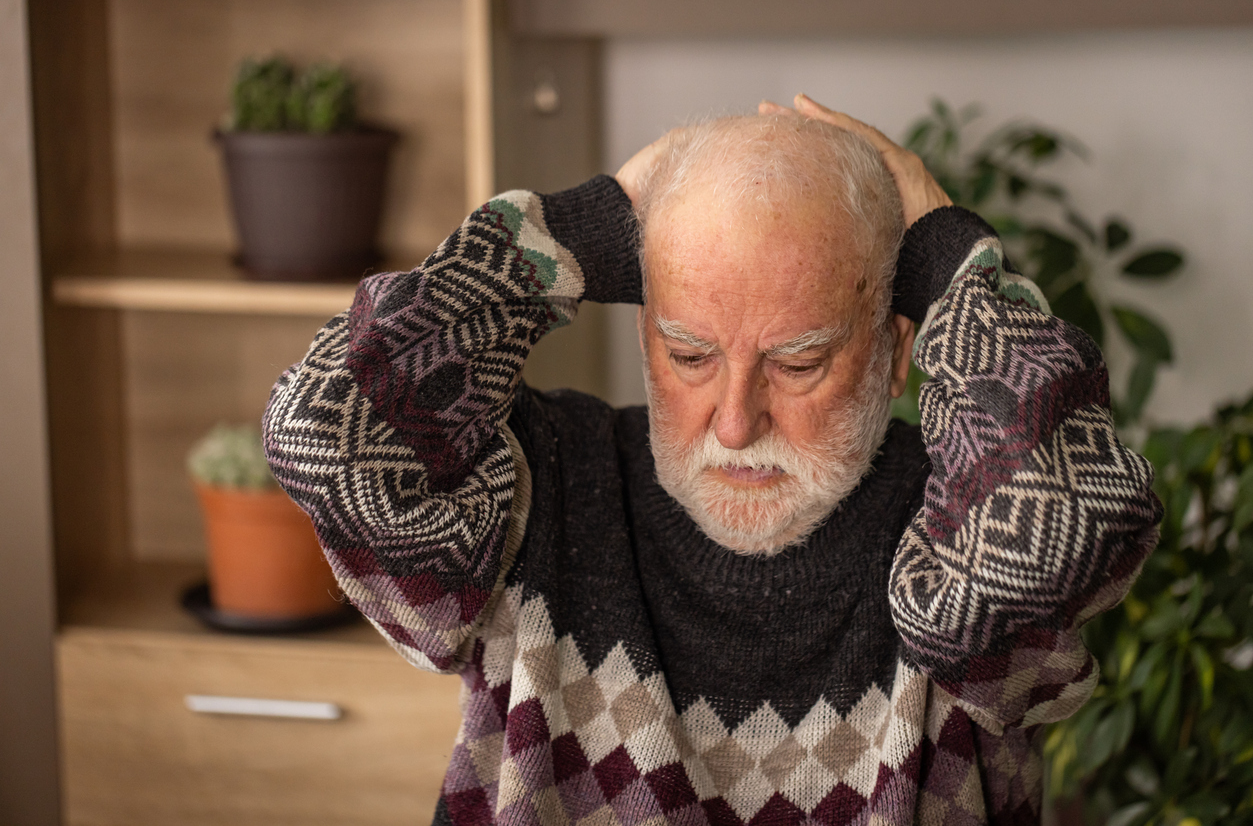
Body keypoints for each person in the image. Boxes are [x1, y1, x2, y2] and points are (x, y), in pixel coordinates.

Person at [263, 94, 1161, 826]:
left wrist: (944, 254)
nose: (735, 423)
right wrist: (564, 238)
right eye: (690, 355)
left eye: (798, 362)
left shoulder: (962, 526)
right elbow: (322, 430)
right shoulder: (536, 492)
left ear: (898, 352)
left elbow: (1067, 524)